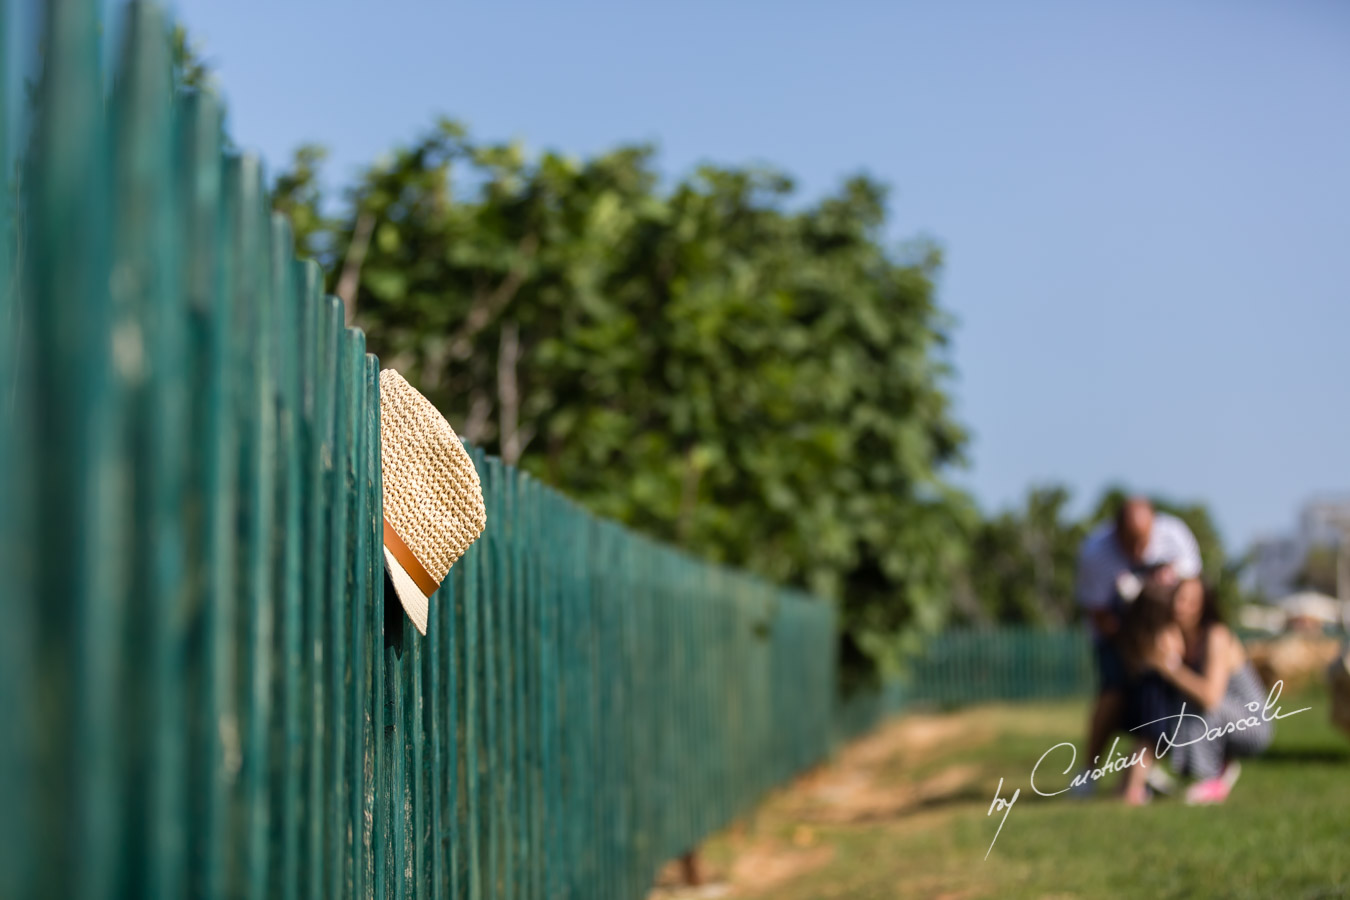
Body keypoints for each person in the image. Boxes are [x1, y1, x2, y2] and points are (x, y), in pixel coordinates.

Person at [1074, 496, 1202, 791]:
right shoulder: (1095, 552)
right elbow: (1099, 614)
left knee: (1163, 698)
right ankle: (1087, 771)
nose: (1136, 551)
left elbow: (1192, 594)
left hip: (1168, 635)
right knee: (1114, 691)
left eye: (1141, 540)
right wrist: (1138, 647)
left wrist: (1171, 641)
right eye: (1128, 542)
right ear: (1114, 531)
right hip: (1117, 637)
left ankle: (1147, 767)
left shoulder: (1174, 536)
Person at [1125, 578, 1273, 805]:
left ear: (1204, 606)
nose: (1180, 606)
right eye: (1178, 598)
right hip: (1221, 718)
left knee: (1199, 702)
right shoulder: (1176, 636)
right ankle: (1190, 771)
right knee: (1179, 702)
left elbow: (1210, 697)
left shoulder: (1216, 635)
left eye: (1190, 601)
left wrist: (1170, 667)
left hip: (1252, 723)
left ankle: (1209, 777)